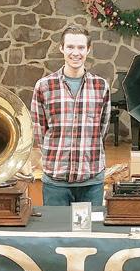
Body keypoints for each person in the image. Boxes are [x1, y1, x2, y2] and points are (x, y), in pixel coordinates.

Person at [31, 25, 111, 207]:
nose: (76, 53)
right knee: (57, 226)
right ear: (62, 48)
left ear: (88, 50)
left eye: (81, 47)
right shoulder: (44, 86)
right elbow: (39, 131)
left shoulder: (101, 87)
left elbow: (102, 129)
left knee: (90, 226)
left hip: (91, 180)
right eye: (70, 47)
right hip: (56, 181)